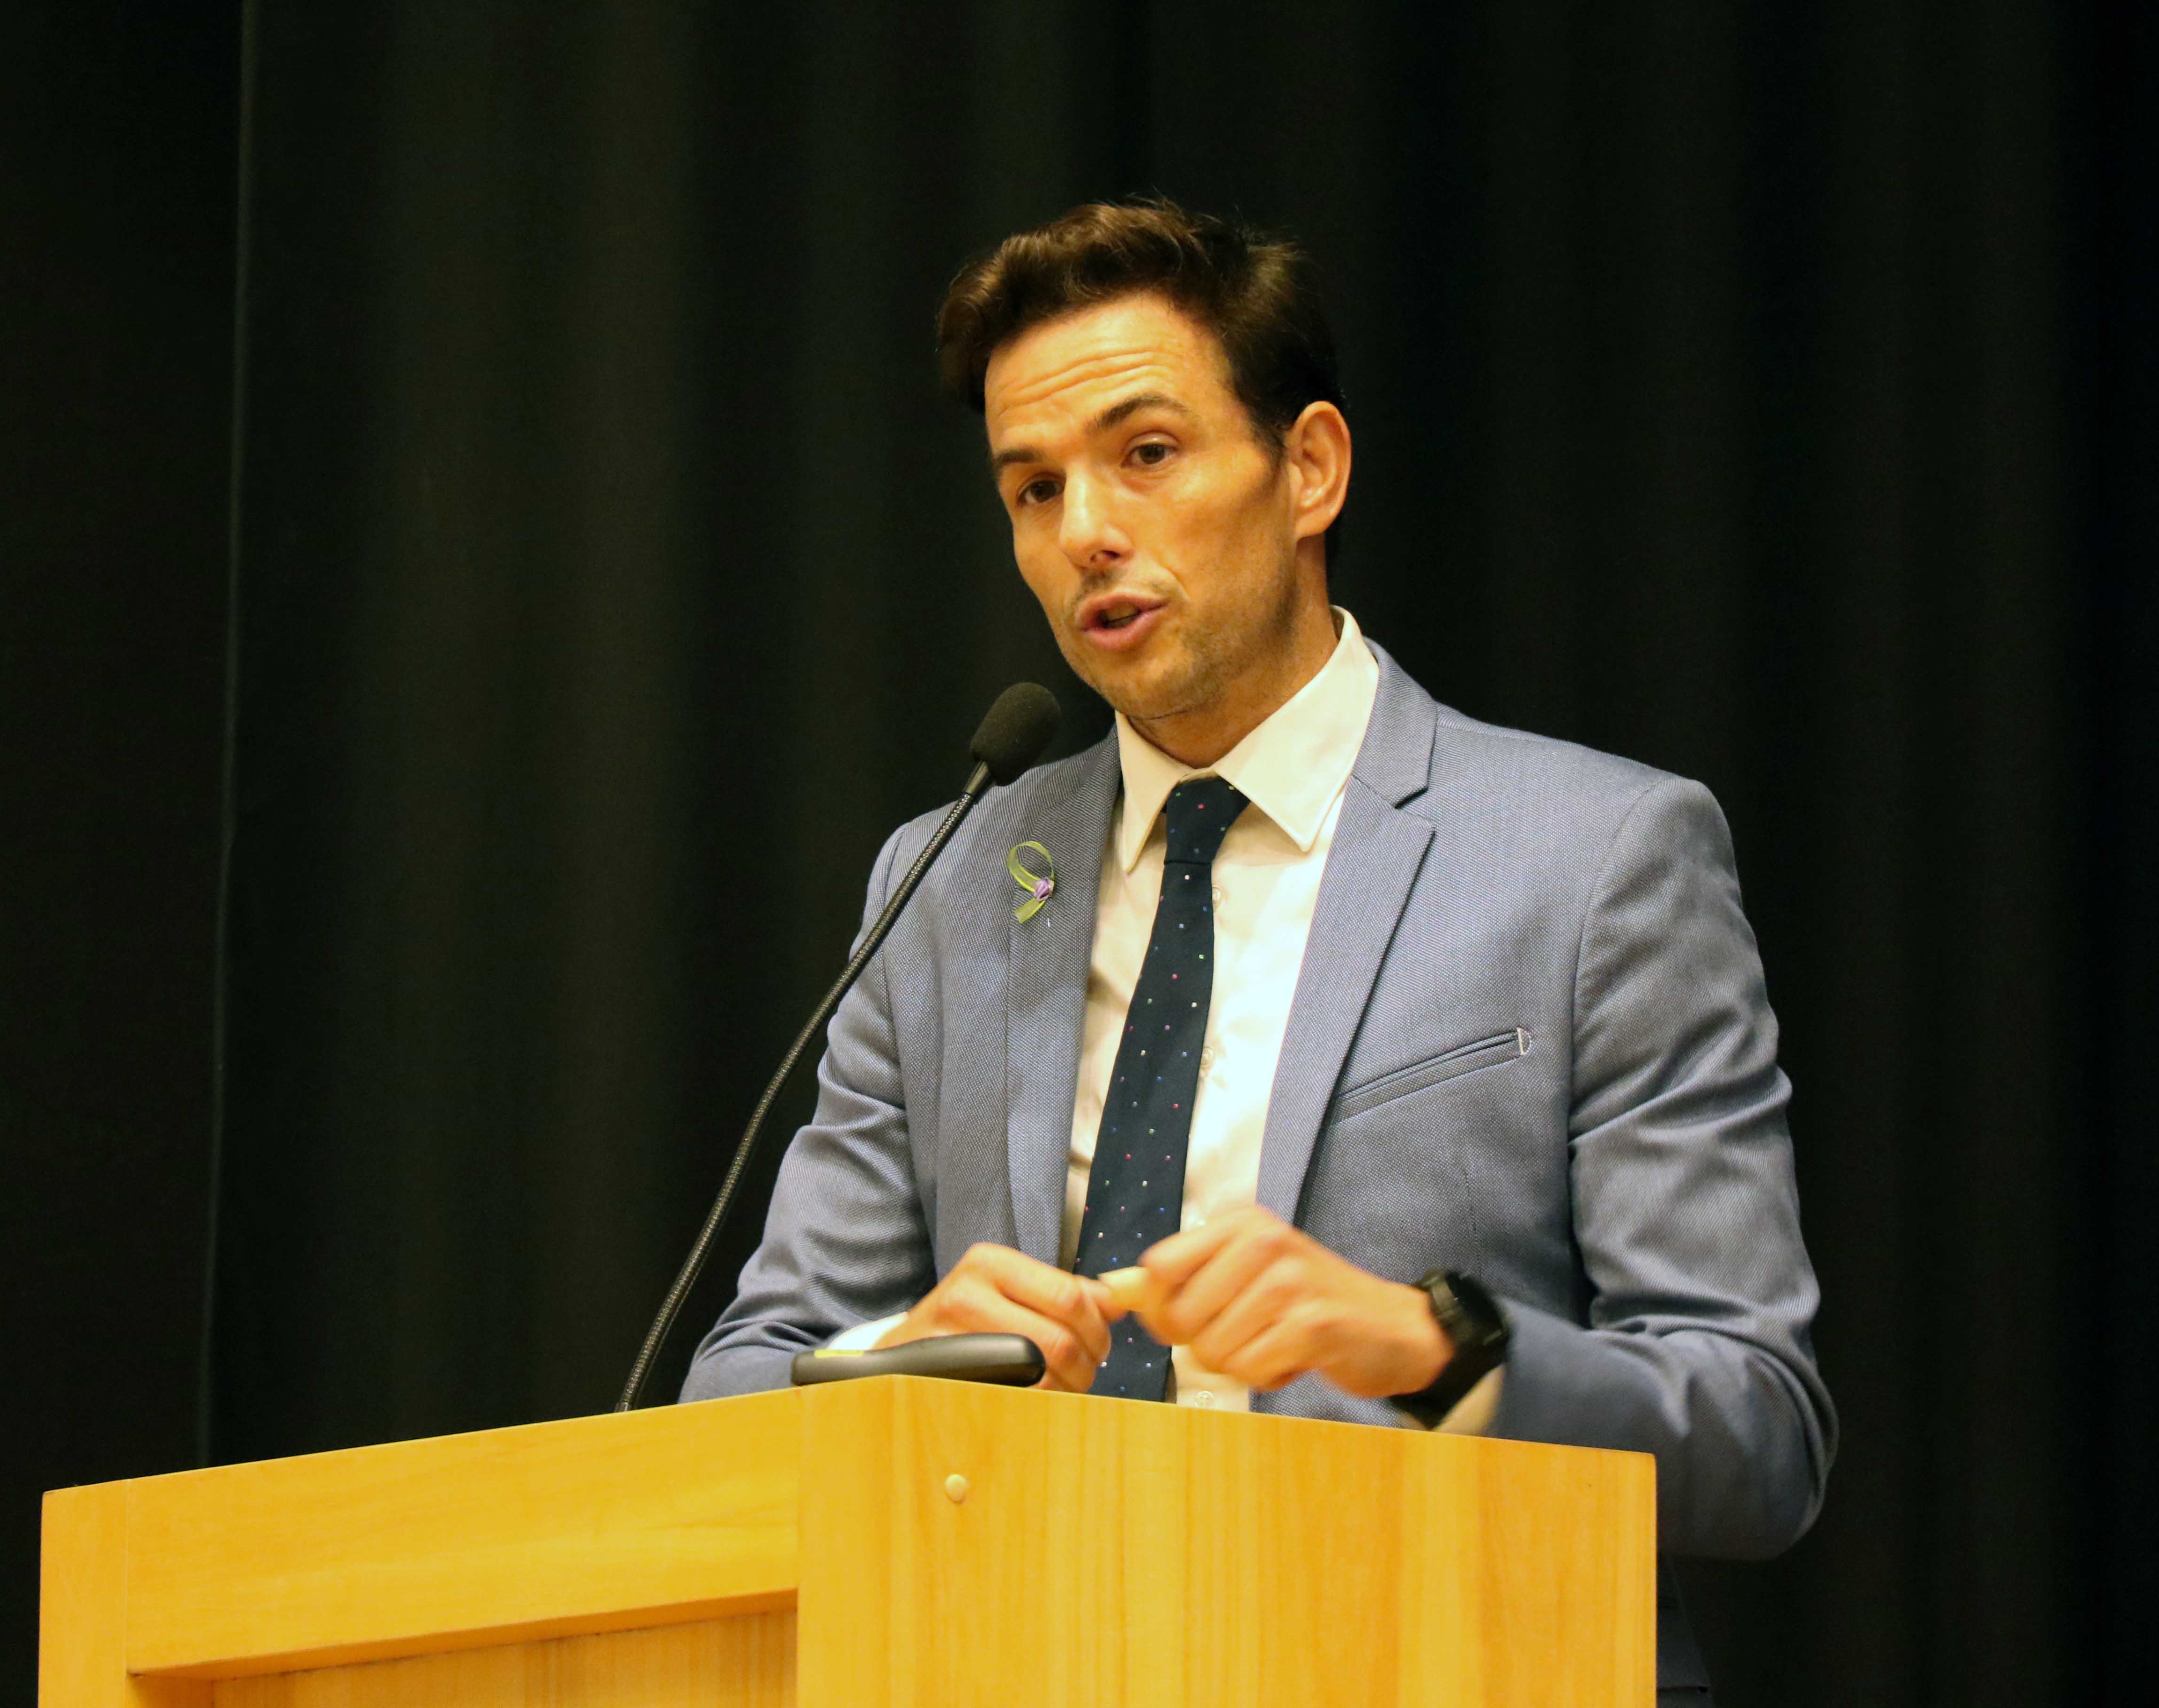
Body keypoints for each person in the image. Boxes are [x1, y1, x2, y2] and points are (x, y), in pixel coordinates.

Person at [681, 200, 1834, 1699]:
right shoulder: (953, 880)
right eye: (1034, 488)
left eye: (1147, 454)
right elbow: (735, 1386)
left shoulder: (1596, 858)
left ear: (1310, 470)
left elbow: (1758, 1431)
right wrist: (894, 1357)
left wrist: (1434, 1349)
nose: (1086, 531)